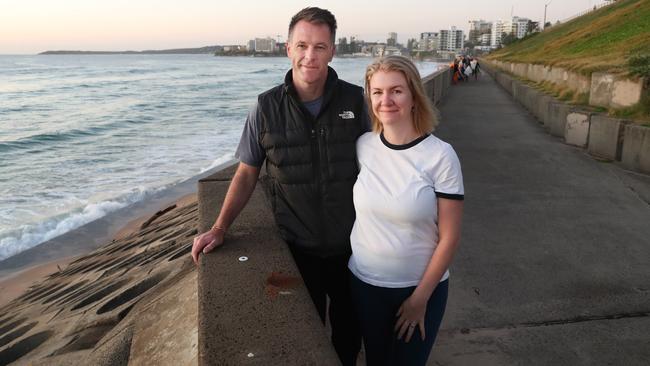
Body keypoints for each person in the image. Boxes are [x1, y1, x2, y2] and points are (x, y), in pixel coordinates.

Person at [191, 7, 366, 366]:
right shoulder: (266, 107)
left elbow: (386, 163)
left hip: (357, 248)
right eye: (302, 45)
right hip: (297, 249)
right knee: (307, 338)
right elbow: (246, 173)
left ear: (333, 51)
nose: (310, 56)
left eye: (320, 46)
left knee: (349, 338)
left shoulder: (356, 101)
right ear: (287, 48)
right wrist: (220, 227)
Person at [349, 55, 464, 366]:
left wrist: (419, 300)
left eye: (396, 91)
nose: (386, 100)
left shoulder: (440, 156)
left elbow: (450, 237)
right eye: (377, 92)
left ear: (414, 95)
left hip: (418, 289)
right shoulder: (363, 146)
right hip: (364, 284)